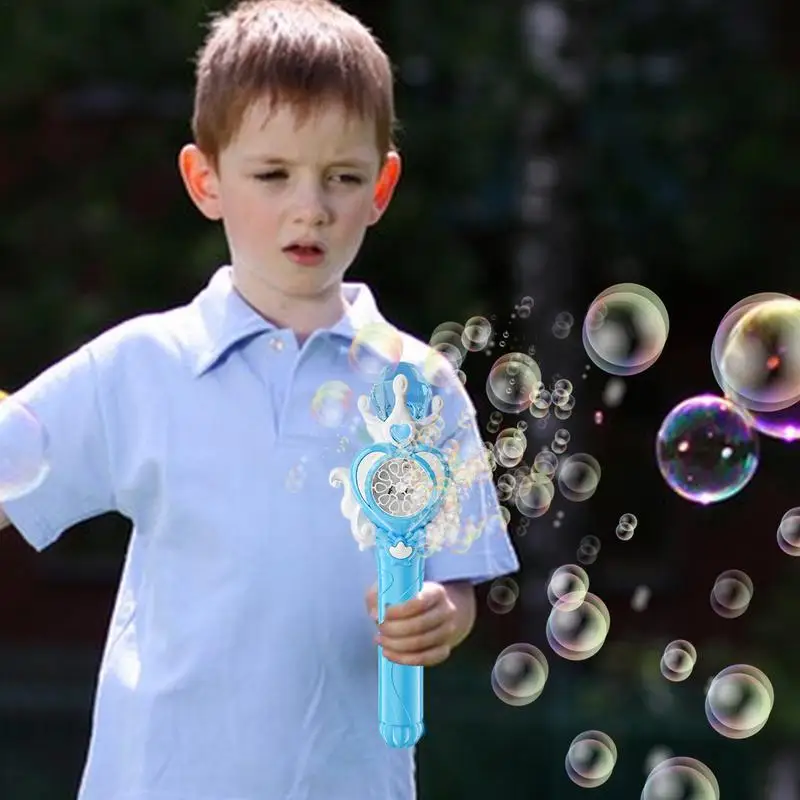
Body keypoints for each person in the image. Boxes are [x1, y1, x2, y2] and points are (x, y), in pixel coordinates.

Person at [0, 0, 520, 797]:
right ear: (204, 179)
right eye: (272, 174)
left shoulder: (417, 387)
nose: (309, 206)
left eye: (341, 177)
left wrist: (440, 614)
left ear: (381, 186)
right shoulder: (143, 366)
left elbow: (455, 586)